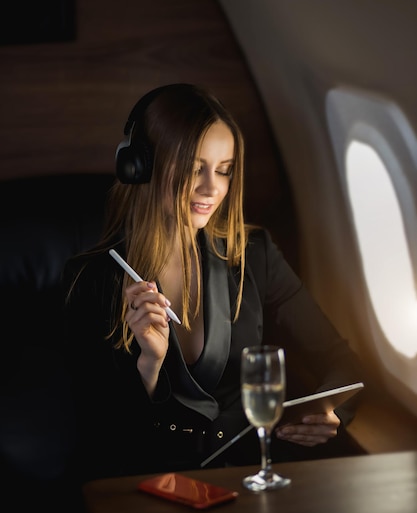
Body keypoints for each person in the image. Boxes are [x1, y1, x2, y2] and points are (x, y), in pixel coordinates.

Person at [62, 82, 365, 484]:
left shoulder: (254, 253)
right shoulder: (91, 280)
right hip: (150, 489)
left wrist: (329, 413)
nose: (212, 188)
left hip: (253, 476)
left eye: (224, 170)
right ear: (142, 166)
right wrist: (149, 367)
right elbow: (103, 438)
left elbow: (341, 361)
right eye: (193, 168)